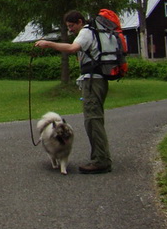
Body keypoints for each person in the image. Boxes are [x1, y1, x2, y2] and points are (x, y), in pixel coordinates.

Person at [34, 10, 112, 174]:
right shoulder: (91, 32)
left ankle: (101, 161)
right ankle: (99, 157)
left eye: (71, 26)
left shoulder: (85, 32)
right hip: (95, 80)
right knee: (93, 120)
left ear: (79, 21)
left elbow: (72, 48)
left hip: (93, 81)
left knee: (93, 120)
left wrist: (48, 43)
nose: (70, 29)